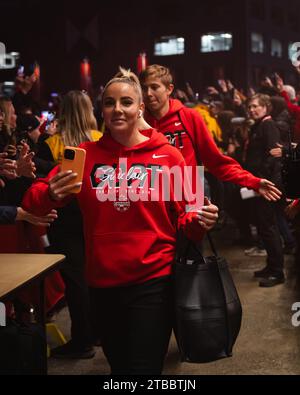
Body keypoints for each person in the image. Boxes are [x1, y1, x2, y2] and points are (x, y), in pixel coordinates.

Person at [23, 69, 218, 374]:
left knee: (143, 370)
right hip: (102, 285)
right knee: (120, 369)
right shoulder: (83, 155)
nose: (117, 109)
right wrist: (48, 192)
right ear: (102, 109)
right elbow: (32, 199)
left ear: (140, 108)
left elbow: (189, 220)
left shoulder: (169, 155)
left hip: (154, 282)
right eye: (110, 102)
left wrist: (203, 220)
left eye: (126, 102)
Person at [139, 65, 281, 201]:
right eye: (144, 88)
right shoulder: (137, 122)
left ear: (169, 89)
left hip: (187, 194)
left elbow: (216, 161)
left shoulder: (189, 117)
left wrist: (253, 182)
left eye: (155, 87)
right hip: (152, 196)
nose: (149, 94)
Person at [36, 91, 102, 359]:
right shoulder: (101, 140)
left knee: (75, 282)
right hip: (96, 215)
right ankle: (97, 333)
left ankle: (83, 340)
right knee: (97, 276)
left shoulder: (50, 143)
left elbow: (42, 184)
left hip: (64, 219)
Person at [245, 94, 285, 286]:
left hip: (266, 186)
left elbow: (273, 156)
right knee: (264, 227)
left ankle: (277, 272)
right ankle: (271, 266)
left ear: (265, 107)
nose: (252, 110)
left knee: (269, 228)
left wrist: (263, 182)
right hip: (258, 185)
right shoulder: (258, 125)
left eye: (255, 106)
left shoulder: (268, 125)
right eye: (250, 107)